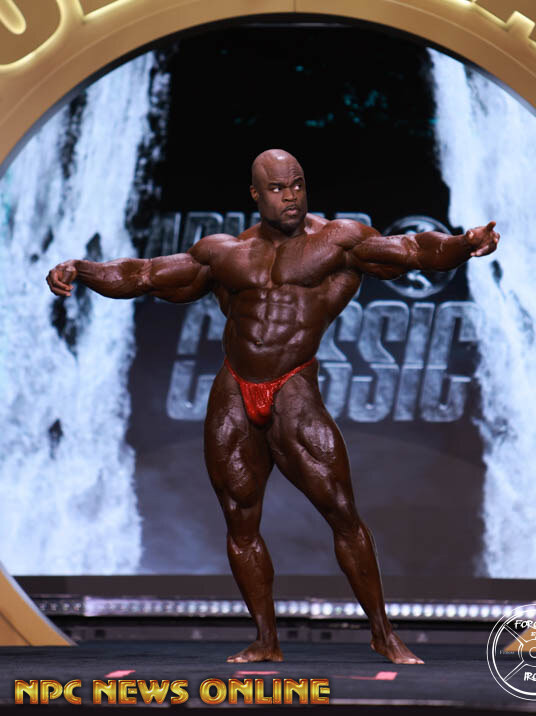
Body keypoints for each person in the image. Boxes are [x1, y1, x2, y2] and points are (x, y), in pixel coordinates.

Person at [47, 148, 499, 665]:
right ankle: (266, 640)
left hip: (293, 386)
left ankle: (383, 634)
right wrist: (81, 269)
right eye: (278, 188)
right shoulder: (224, 253)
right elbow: (144, 274)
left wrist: (463, 244)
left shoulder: (339, 241)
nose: (291, 196)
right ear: (256, 195)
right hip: (234, 388)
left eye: (297, 184)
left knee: (342, 514)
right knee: (240, 520)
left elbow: (414, 249)